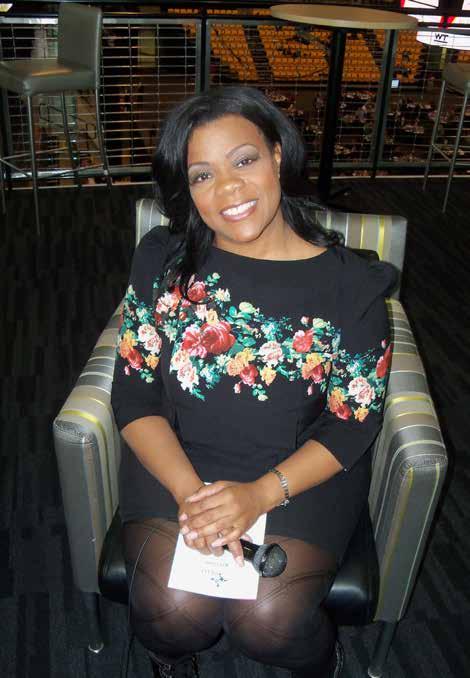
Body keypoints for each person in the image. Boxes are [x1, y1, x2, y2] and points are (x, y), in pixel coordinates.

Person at [111, 86, 396, 678]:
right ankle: (169, 659)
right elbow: (135, 394)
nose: (229, 190)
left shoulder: (353, 286)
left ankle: (320, 660)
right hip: (177, 460)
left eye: (243, 160)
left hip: (299, 472)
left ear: (277, 155)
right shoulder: (164, 261)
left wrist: (261, 494)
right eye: (202, 175)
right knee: (172, 610)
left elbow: (351, 423)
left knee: (268, 621)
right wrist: (193, 499)